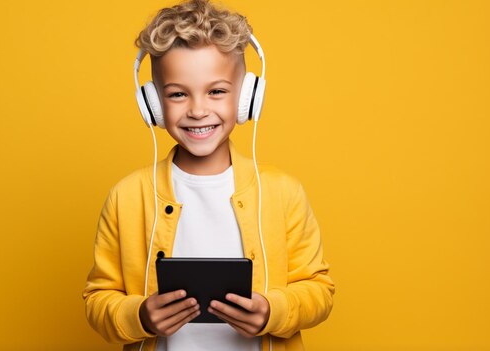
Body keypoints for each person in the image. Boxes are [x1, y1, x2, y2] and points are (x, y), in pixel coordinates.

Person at [83, 1, 335, 350]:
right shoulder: (128, 196)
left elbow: (319, 290)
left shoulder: (282, 192)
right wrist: (138, 315)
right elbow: (98, 298)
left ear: (246, 97)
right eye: (177, 94)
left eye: (216, 91)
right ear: (153, 103)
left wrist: (272, 312)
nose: (198, 110)